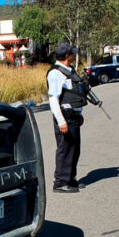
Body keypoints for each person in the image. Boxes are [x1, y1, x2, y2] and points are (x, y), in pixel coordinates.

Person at [47, 43, 84, 193]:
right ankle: (60, 182)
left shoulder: (68, 70)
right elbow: (53, 99)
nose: (74, 55)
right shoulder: (55, 73)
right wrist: (61, 121)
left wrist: (79, 114)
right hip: (65, 117)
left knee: (74, 149)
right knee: (65, 149)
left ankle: (70, 179)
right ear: (67, 56)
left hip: (73, 116)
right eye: (72, 54)